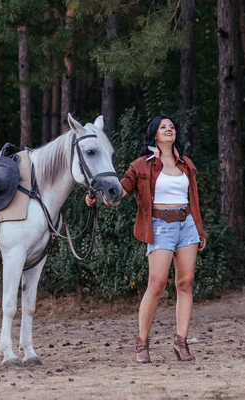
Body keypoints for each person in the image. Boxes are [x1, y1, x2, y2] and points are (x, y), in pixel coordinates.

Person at [86, 115, 206, 363]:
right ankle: (142, 343)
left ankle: (181, 341)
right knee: (157, 283)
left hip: (187, 225)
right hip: (161, 225)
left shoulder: (186, 164)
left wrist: (200, 230)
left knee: (185, 283)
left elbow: (194, 200)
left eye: (172, 126)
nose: (169, 129)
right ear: (155, 134)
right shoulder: (141, 166)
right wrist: (97, 197)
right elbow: (119, 191)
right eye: (164, 127)